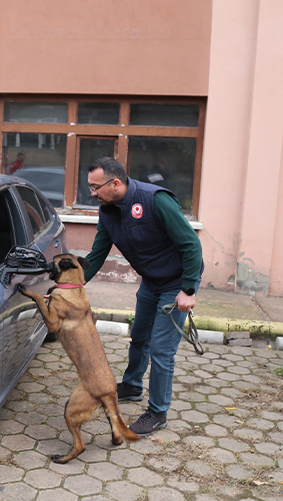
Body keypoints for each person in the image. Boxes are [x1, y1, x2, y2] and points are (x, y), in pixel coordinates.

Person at [83, 157, 203, 436]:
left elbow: (191, 245)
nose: (92, 193)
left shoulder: (155, 200)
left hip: (175, 283)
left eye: (95, 187)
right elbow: (98, 252)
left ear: (115, 183)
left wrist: (188, 290)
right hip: (151, 282)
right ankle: (133, 385)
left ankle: (158, 412)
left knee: (162, 350)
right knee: (139, 336)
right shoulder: (108, 209)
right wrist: (75, 284)